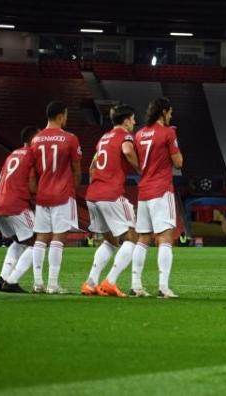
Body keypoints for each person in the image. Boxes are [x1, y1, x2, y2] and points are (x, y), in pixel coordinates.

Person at [82, 105, 140, 298]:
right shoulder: (125, 136)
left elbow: (92, 166)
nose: (134, 122)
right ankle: (110, 282)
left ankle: (90, 283)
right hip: (111, 194)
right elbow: (127, 151)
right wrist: (141, 170)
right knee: (131, 238)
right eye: (132, 119)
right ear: (125, 121)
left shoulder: (103, 139)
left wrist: (97, 184)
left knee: (110, 241)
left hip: (93, 194)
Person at [133, 97, 184, 299]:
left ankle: (136, 285)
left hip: (143, 190)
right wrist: (174, 138)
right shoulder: (168, 132)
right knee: (165, 237)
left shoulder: (139, 134)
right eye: (170, 112)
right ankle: (163, 287)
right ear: (163, 111)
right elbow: (179, 162)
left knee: (143, 238)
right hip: (161, 190)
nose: (171, 116)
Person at [30, 101, 83, 294]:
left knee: (41, 237)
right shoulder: (70, 138)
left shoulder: (35, 140)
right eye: (66, 115)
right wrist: (72, 188)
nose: (66, 119)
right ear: (60, 116)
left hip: (43, 194)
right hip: (62, 194)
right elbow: (77, 170)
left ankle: (37, 283)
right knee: (59, 237)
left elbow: (31, 172)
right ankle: (52, 284)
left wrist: (36, 191)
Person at [0, 126, 39, 293]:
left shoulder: (12, 154)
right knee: (38, 241)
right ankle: (12, 281)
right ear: (34, 139)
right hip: (17, 205)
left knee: (19, 242)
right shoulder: (32, 156)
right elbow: (33, 186)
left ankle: (3, 277)